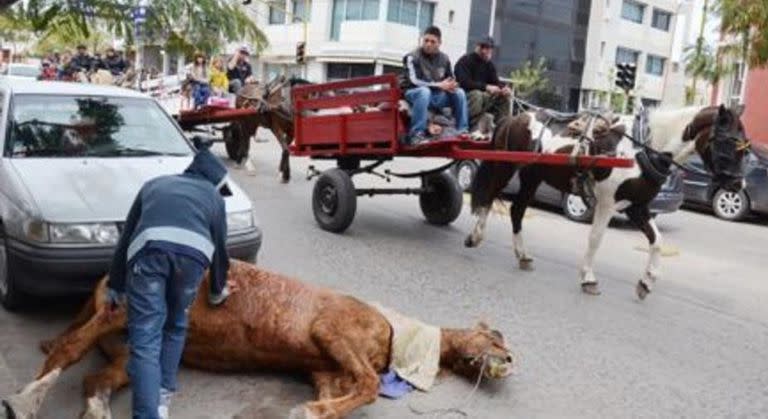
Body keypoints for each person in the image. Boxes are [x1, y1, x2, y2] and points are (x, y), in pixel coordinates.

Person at [106, 141, 237, 419]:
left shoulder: (153, 185)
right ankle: (162, 401)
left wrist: (115, 287)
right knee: (176, 325)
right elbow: (221, 250)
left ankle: (146, 414)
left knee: (145, 338)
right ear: (214, 182)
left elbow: (126, 237)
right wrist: (217, 291)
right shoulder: (214, 199)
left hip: (149, 254)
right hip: (191, 260)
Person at [400, 26, 468, 145]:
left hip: (436, 95)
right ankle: (416, 134)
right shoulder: (412, 57)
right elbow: (414, 81)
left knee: (459, 92)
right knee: (424, 92)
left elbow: (449, 78)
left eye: (432, 42)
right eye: (426, 40)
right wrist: (439, 85)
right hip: (413, 93)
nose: (428, 44)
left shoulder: (444, 58)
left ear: (439, 43)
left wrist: (452, 85)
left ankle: (462, 130)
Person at [454, 36, 512, 128]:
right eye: (483, 47)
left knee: (504, 98)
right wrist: (486, 87)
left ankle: (502, 127)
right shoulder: (465, 61)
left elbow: (495, 82)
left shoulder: (489, 65)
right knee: (477, 94)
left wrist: (504, 89)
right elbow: (464, 82)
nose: (485, 51)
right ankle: (473, 126)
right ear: (477, 46)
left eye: (488, 48)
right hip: (465, 96)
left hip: (484, 96)